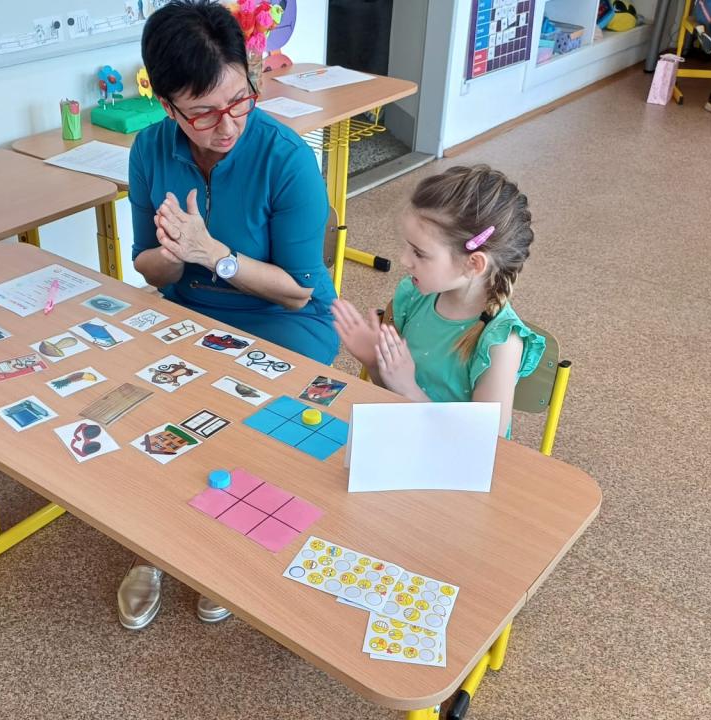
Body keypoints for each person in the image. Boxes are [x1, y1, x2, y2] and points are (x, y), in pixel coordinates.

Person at [119, 0, 336, 632]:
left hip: (284, 317)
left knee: (241, 416)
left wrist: (213, 254)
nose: (227, 124)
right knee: (140, 400)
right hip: (191, 308)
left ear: (251, 78)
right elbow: (147, 266)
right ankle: (153, 544)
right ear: (168, 106)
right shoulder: (149, 149)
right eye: (204, 112)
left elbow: (299, 292)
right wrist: (172, 255)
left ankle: (226, 547)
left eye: (239, 99)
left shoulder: (286, 157)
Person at [332, 165, 545, 440]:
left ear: (473, 264)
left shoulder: (501, 343)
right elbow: (393, 397)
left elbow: (483, 443)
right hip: (400, 441)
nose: (404, 259)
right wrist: (374, 362)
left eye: (419, 253)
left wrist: (409, 389)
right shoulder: (414, 296)